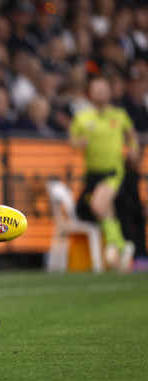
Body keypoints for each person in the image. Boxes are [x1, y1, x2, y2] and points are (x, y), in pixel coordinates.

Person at [70, 77, 139, 272]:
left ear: (109, 92)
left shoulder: (119, 115)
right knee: (106, 211)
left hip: (113, 172)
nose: (99, 93)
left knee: (98, 206)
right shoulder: (82, 117)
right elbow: (72, 140)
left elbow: (132, 136)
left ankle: (115, 243)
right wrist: (78, 143)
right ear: (89, 93)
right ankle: (123, 247)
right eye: (96, 89)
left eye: (103, 89)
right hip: (92, 174)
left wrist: (133, 150)